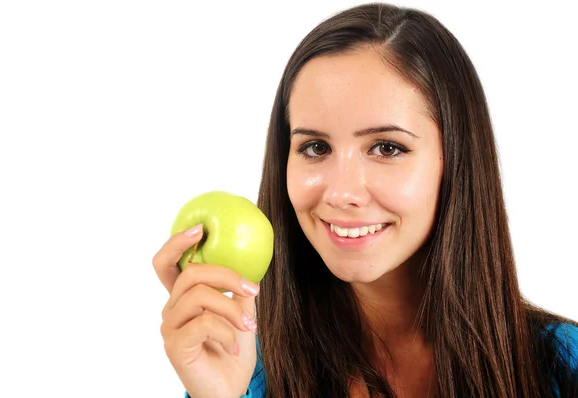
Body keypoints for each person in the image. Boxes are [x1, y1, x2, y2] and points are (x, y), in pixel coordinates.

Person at [152, 3, 578, 397]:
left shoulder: (563, 366)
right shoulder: (244, 369)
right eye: (316, 147)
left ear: (456, 161)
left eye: (387, 148)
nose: (341, 193)